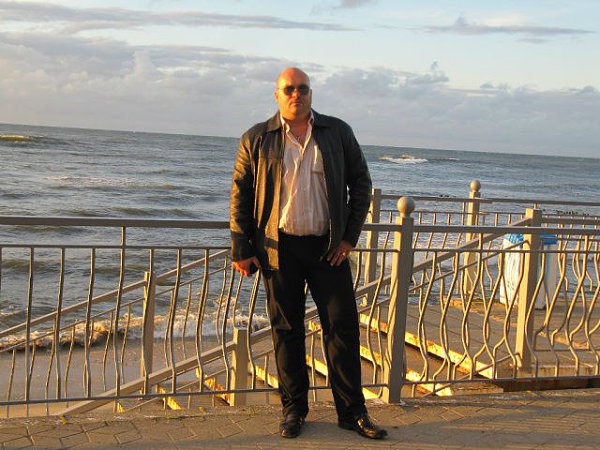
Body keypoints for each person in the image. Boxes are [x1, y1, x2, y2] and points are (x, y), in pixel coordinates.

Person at [230, 67, 387, 440]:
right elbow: (241, 193)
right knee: (287, 331)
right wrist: (242, 247)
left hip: (328, 249)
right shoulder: (257, 138)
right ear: (277, 95)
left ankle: (352, 413)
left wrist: (348, 239)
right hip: (278, 248)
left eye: (302, 88)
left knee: (342, 328)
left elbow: (361, 184)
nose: (296, 94)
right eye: (288, 89)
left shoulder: (337, 132)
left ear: (311, 93)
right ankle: (293, 411)